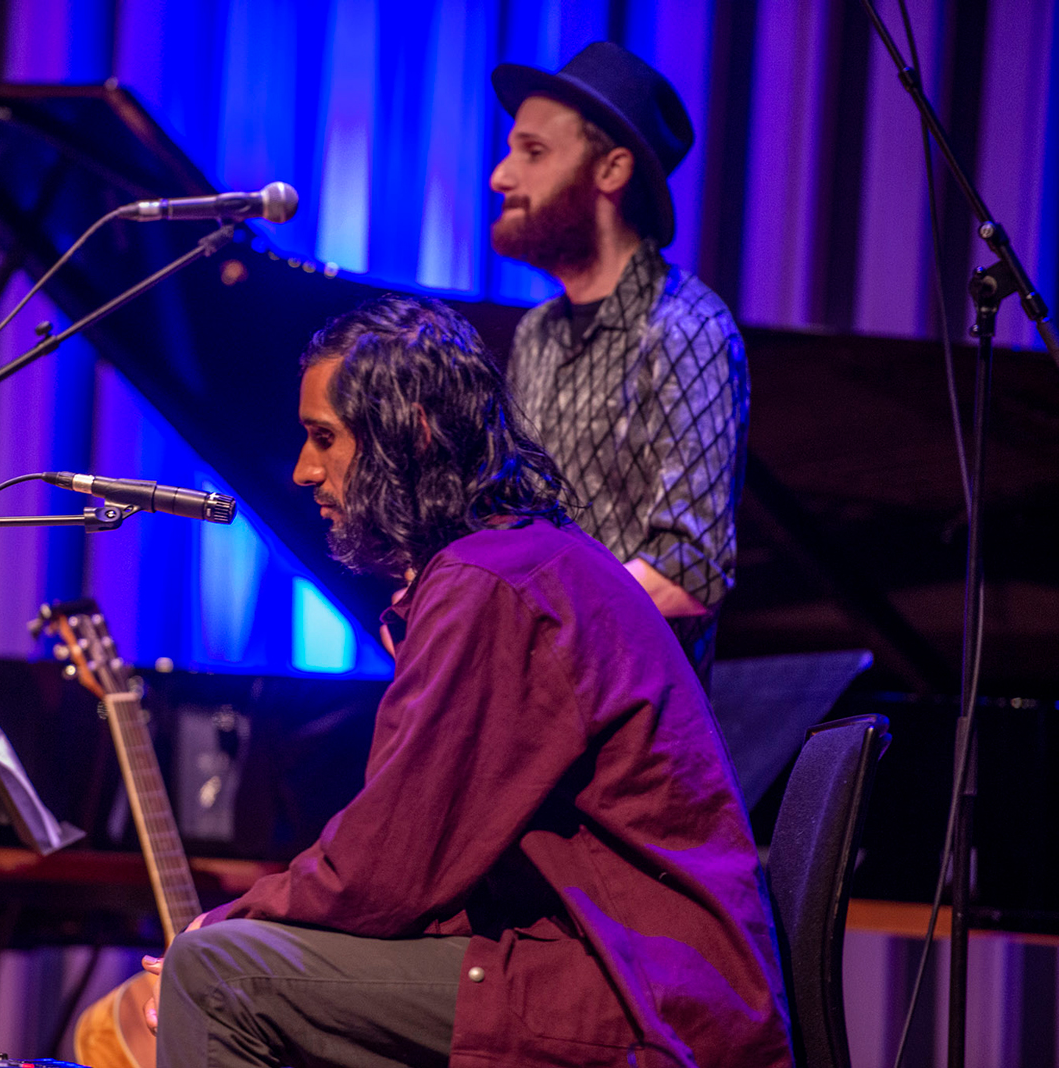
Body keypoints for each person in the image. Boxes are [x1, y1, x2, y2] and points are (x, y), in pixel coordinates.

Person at [143, 297, 792, 1067]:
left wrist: (227, 921)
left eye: (324, 438)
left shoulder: (493, 585)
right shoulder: (513, 564)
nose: (302, 470)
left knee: (218, 976)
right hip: (613, 970)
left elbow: (388, 867)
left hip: (637, 994)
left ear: (409, 431)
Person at [491, 41, 748, 683]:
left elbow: (689, 571)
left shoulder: (686, 328)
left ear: (611, 170)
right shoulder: (536, 334)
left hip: (636, 732)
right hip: (541, 700)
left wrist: (532, 617)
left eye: (534, 152)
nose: (501, 175)